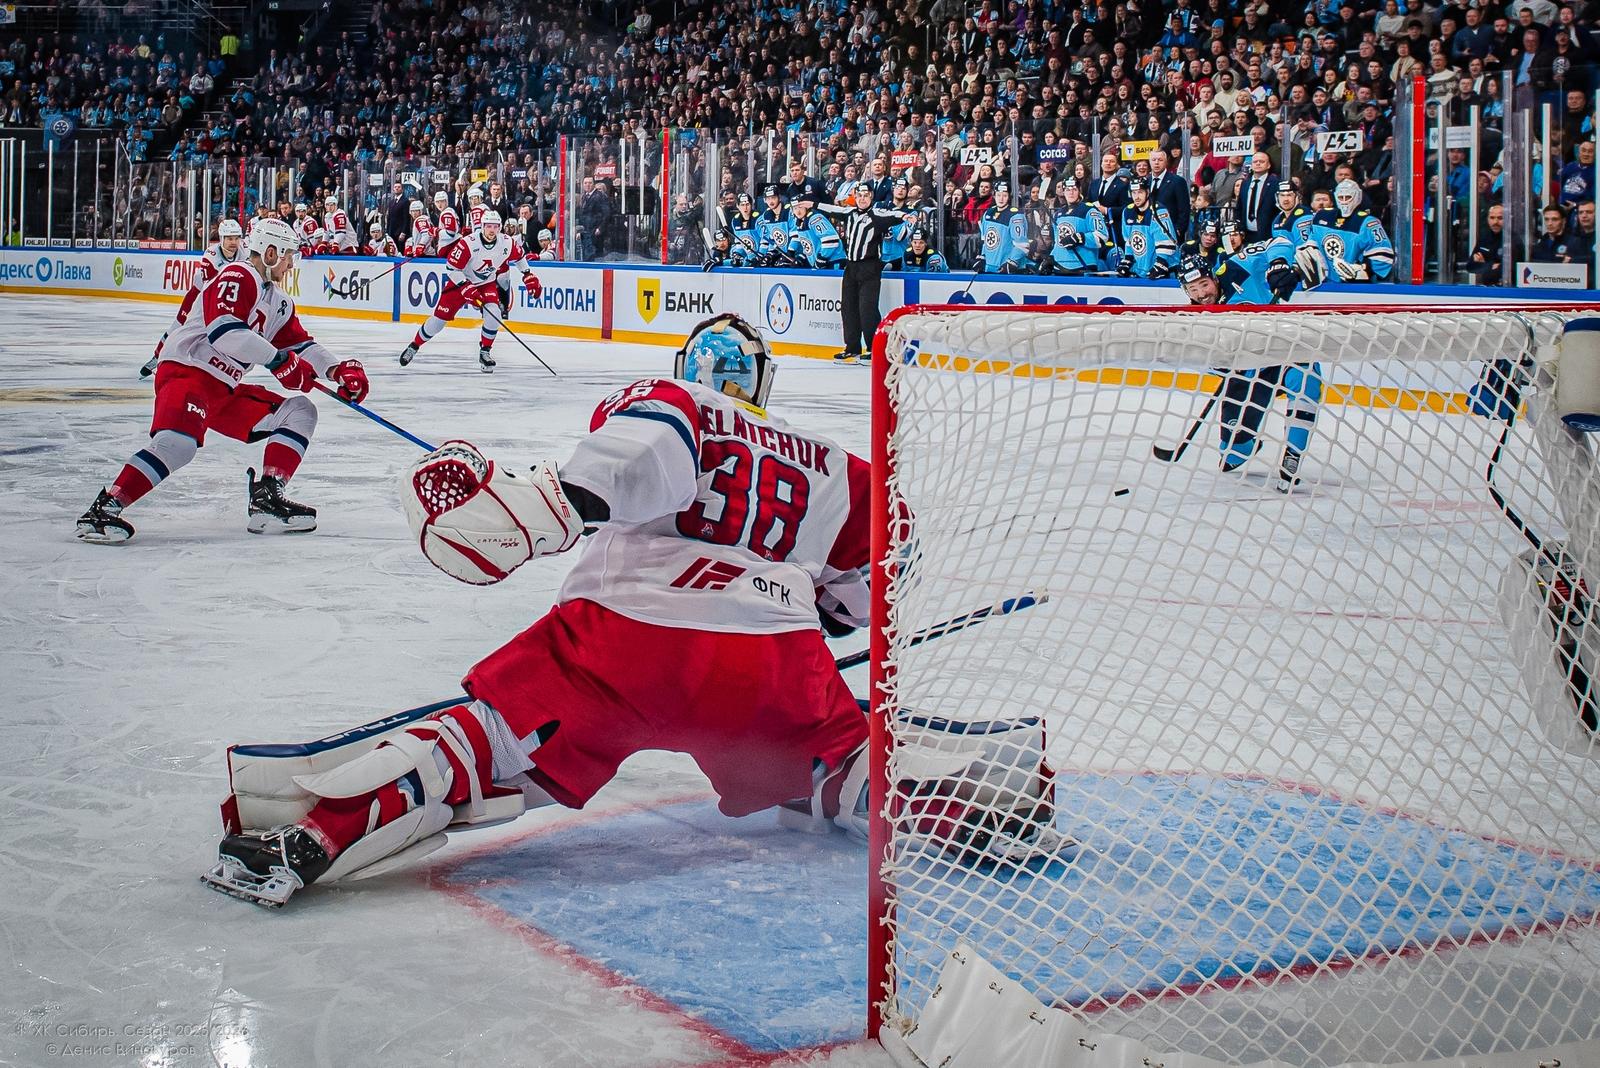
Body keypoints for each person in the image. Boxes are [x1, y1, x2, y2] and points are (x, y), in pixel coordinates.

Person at [200, 313, 1057, 907]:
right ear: (760, 378)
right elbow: (868, 585)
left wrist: (538, 506)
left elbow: (639, 459)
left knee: (491, 739)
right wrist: (809, 617)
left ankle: (310, 839)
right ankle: (979, 796)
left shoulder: (674, 397)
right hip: (769, 661)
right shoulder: (830, 462)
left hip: (622, 641)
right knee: (836, 762)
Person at [75, 218, 369, 544]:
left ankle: (267, 498)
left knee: (300, 411)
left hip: (223, 389)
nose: (290, 263)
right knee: (178, 445)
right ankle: (104, 509)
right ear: (270, 252)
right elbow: (224, 332)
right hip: (189, 373)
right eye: (287, 256)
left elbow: (302, 346)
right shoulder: (238, 275)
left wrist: (337, 370)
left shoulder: (278, 301)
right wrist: (278, 360)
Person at [1176, 239, 1326, 493]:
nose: (1202, 294)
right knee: (1233, 454)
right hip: (1250, 370)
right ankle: (1243, 444)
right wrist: (1226, 364)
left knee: (1305, 382)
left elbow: (1279, 241)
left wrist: (1278, 265)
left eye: (1204, 284)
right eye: (1193, 289)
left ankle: (1293, 455)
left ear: (1214, 277)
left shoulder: (1236, 269)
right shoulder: (1194, 319)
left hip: (1286, 350)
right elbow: (1210, 364)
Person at [399, 210, 541, 373]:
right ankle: (414, 345)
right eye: (488, 226)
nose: (492, 230)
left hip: (485, 283)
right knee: (438, 320)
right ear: (482, 226)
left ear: (500, 227)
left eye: (495, 227)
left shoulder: (506, 242)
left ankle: (485, 352)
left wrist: (527, 274)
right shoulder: (469, 243)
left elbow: (520, 256)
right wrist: (465, 286)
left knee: (494, 312)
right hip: (460, 283)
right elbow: (451, 268)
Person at [814, 183, 917, 362]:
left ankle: (873, 348)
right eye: (859, 195)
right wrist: (813, 205)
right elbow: (832, 209)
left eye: (866, 195)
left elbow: (893, 215)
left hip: (870, 267)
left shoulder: (877, 214)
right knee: (848, 308)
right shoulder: (850, 213)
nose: (862, 199)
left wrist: (905, 216)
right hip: (851, 267)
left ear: (871, 197)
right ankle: (852, 347)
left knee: (867, 309)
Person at [140, 217, 247, 377]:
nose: (234, 242)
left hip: (219, 298)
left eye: (237, 238)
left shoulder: (244, 253)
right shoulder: (211, 255)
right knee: (177, 328)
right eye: (230, 238)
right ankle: (157, 356)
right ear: (221, 238)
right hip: (199, 297)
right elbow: (214, 287)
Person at [1307, 179, 1396, 282]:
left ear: (1358, 196)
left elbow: (1383, 255)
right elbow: (1311, 246)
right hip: (1324, 284)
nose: (1344, 201)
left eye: (1348, 197)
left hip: (1355, 288)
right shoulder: (1321, 217)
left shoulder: (1368, 222)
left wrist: (1363, 271)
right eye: (1341, 197)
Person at [1116, 177, 1180, 279]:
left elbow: (1166, 243)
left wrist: (1161, 264)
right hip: (1142, 270)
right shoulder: (1127, 212)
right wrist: (1127, 260)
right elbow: (1129, 241)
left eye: (1140, 192)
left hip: (1165, 269)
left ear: (1147, 192)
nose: (1136, 197)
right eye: (1134, 193)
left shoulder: (1158, 211)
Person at [1043, 177, 1109, 275]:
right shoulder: (1058, 214)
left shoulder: (1089, 210)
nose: (1071, 193)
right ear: (1063, 192)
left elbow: (1102, 237)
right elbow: (1059, 242)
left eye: (1074, 189)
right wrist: (1052, 257)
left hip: (1083, 265)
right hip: (1060, 266)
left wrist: (1079, 238)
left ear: (1079, 191)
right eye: (1067, 190)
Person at [1467, 203, 1506, 285]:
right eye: (1492, 218)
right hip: (1486, 289)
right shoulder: (1484, 238)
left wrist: (1484, 264)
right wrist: (1492, 266)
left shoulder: (1512, 240)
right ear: (1488, 219)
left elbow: (1511, 269)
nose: (1495, 222)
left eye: (1500, 218)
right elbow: (1470, 266)